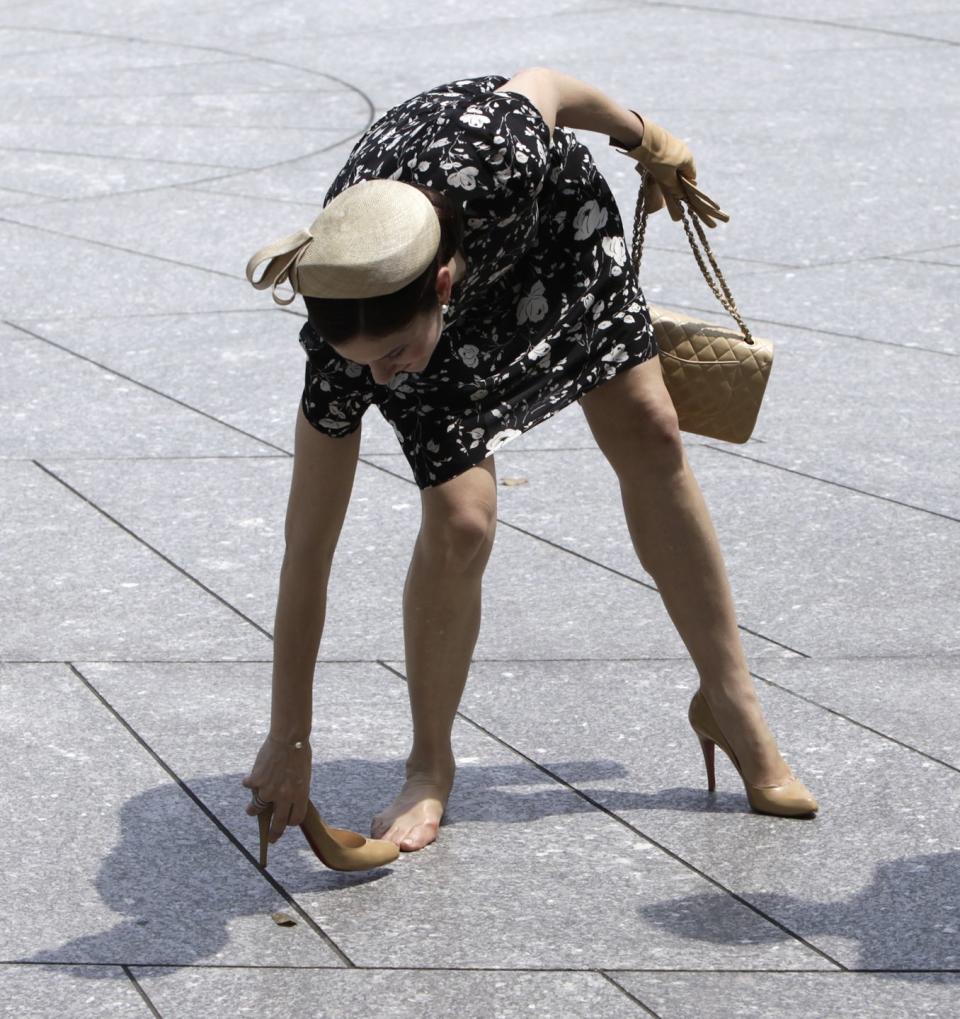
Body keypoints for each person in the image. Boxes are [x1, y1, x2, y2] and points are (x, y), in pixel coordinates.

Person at [241, 67, 818, 859]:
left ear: (442, 285)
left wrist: (644, 138)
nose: (378, 380)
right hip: (427, 315)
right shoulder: (352, 348)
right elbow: (306, 551)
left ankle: (731, 701)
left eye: (391, 358)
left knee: (652, 428)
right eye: (364, 364)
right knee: (462, 519)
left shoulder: (499, 157)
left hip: (552, 242)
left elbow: (546, 83)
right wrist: (289, 738)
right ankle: (429, 764)